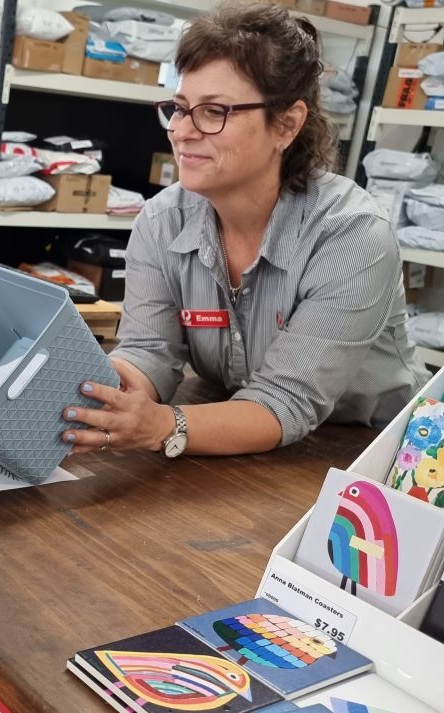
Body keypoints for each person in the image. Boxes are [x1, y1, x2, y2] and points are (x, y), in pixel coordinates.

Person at [63, 1, 428, 457]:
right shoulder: (161, 221)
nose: (182, 131)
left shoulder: (351, 235)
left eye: (214, 111)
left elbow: (287, 399)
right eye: (179, 108)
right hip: (237, 430)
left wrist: (161, 425)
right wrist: (102, 394)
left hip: (375, 450)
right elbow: (149, 350)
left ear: (287, 124)